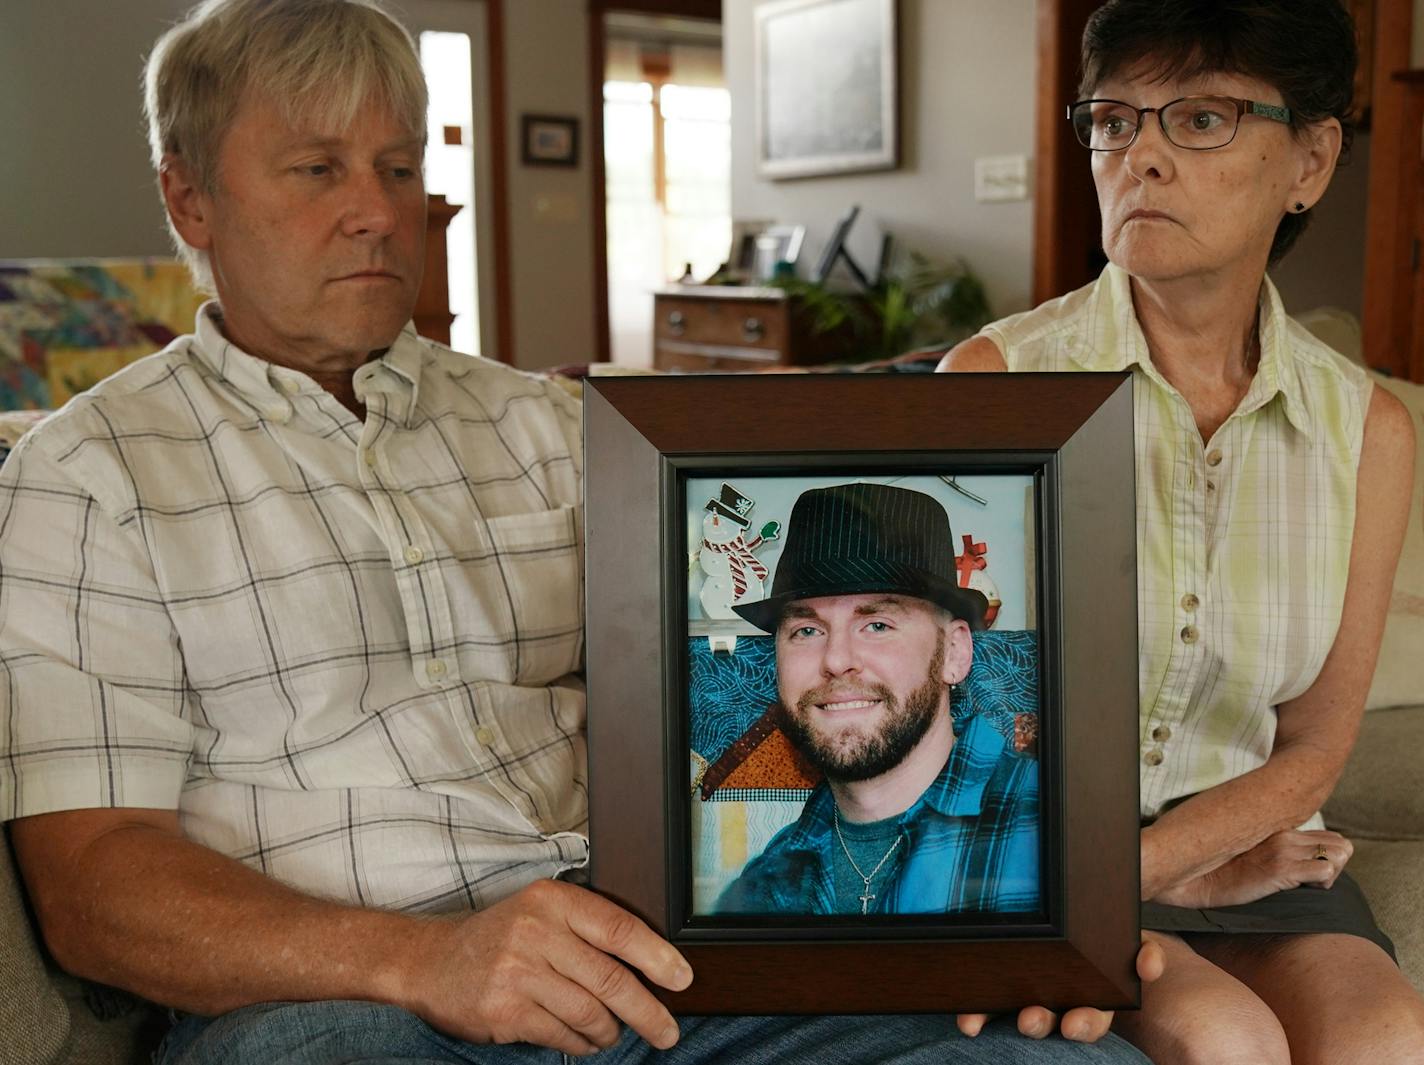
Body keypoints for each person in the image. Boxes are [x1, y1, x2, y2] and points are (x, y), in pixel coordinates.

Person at [0, 0, 1160, 1060]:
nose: (377, 209)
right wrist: (426, 961)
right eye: (316, 168)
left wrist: (1010, 926)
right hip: (349, 1002)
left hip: (661, 960)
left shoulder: (561, 428)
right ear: (187, 195)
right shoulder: (88, 479)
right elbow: (95, 887)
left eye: (399, 167)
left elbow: (781, 703)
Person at [938, 1, 1424, 1061]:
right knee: (1224, 1041)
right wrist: (1119, 877)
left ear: (1309, 158)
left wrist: (1188, 861)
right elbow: (936, 707)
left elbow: (1313, 749)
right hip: (1041, 852)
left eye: (1198, 119)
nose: (1140, 157)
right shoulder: (994, 385)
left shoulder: (1366, 431)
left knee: (1386, 1036)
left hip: (1246, 852)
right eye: (1114, 121)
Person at [717, 482, 1039, 917]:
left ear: (955, 653)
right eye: (806, 631)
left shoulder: (1050, 829)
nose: (836, 660)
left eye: (878, 625)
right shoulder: (761, 889)